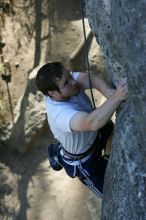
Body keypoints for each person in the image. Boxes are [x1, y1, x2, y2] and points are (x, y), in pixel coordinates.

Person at [35, 61, 128, 198]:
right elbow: (91, 122)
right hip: (84, 162)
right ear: (53, 93)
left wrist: (109, 92)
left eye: (70, 75)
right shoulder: (59, 114)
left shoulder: (66, 82)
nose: (73, 82)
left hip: (96, 134)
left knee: (107, 125)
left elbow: (90, 78)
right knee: (112, 195)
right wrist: (117, 97)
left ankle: (60, 152)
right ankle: (58, 155)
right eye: (66, 82)